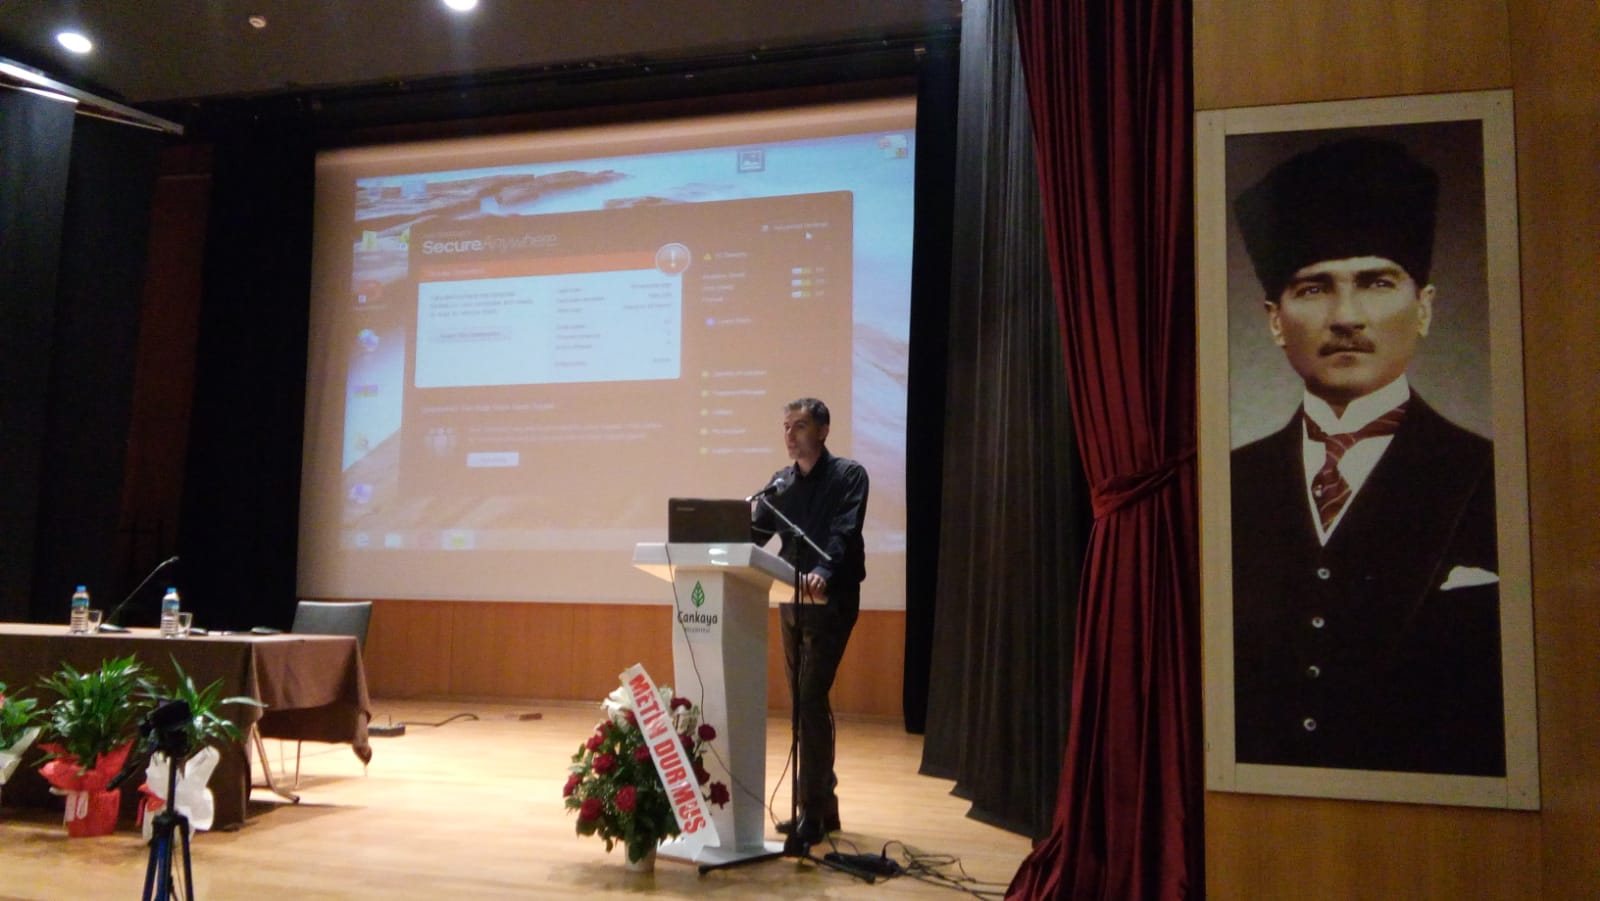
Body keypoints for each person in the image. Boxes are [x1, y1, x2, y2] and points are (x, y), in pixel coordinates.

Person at [1228, 137, 1505, 776]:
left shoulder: (1492, 476)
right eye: (1314, 288)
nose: (1346, 316)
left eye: (1376, 282)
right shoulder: (1229, 483)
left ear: (1424, 308)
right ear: (1275, 320)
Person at [750, 397, 868, 843]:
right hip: (792, 599)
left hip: (832, 598)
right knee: (805, 703)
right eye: (786, 426)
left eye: (799, 426)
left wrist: (823, 569)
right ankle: (822, 807)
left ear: (822, 430)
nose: (790, 434)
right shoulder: (779, 484)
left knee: (809, 697)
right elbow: (755, 534)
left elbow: (844, 532)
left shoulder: (849, 476)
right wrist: (723, 533)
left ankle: (812, 811)